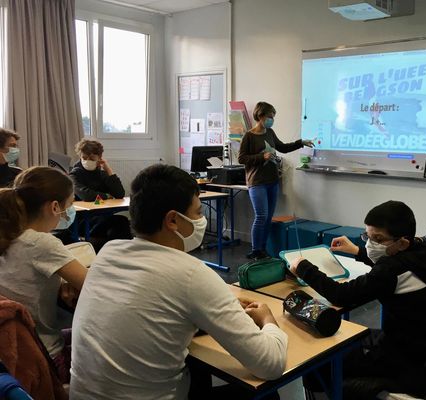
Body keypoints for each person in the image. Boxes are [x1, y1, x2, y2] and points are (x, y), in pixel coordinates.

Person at [70, 164, 288, 400]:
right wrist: (267, 319)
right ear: (172, 220)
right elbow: (270, 363)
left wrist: (217, 311)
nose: (202, 220)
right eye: (198, 213)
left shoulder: (108, 252)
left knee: (195, 367)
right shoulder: (191, 274)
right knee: (267, 395)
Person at [290, 201, 426, 398]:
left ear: (402, 242)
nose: (369, 244)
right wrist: (358, 252)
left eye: (378, 239)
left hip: (405, 357)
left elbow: (340, 295)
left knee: (319, 360)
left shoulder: (391, 271)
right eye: (367, 236)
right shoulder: (424, 251)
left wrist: (303, 268)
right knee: (350, 337)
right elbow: (392, 263)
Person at [0, 167, 88, 383]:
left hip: (11, 351)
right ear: (55, 207)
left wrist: (63, 282)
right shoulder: (42, 243)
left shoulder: (9, 234)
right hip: (45, 354)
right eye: (69, 205)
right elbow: (94, 285)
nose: (69, 213)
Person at [238, 102, 313, 259]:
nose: (272, 119)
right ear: (260, 116)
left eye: (273, 117)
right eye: (270, 116)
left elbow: (283, 147)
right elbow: (242, 158)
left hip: (272, 181)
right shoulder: (249, 136)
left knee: (268, 217)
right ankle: (255, 249)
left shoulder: (270, 132)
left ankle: (263, 249)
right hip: (256, 182)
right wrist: (261, 156)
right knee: (261, 215)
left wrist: (301, 143)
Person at [68, 139, 131, 250]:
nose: (87, 161)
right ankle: (118, 255)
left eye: (92, 158)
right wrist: (107, 195)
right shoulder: (74, 174)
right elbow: (86, 196)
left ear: (99, 158)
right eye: (84, 158)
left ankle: (121, 254)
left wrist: (108, 170)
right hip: (82, 220)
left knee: (119, 226)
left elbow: (119, 193)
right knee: (120, 222)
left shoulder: (101, 173)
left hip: (101, 217)